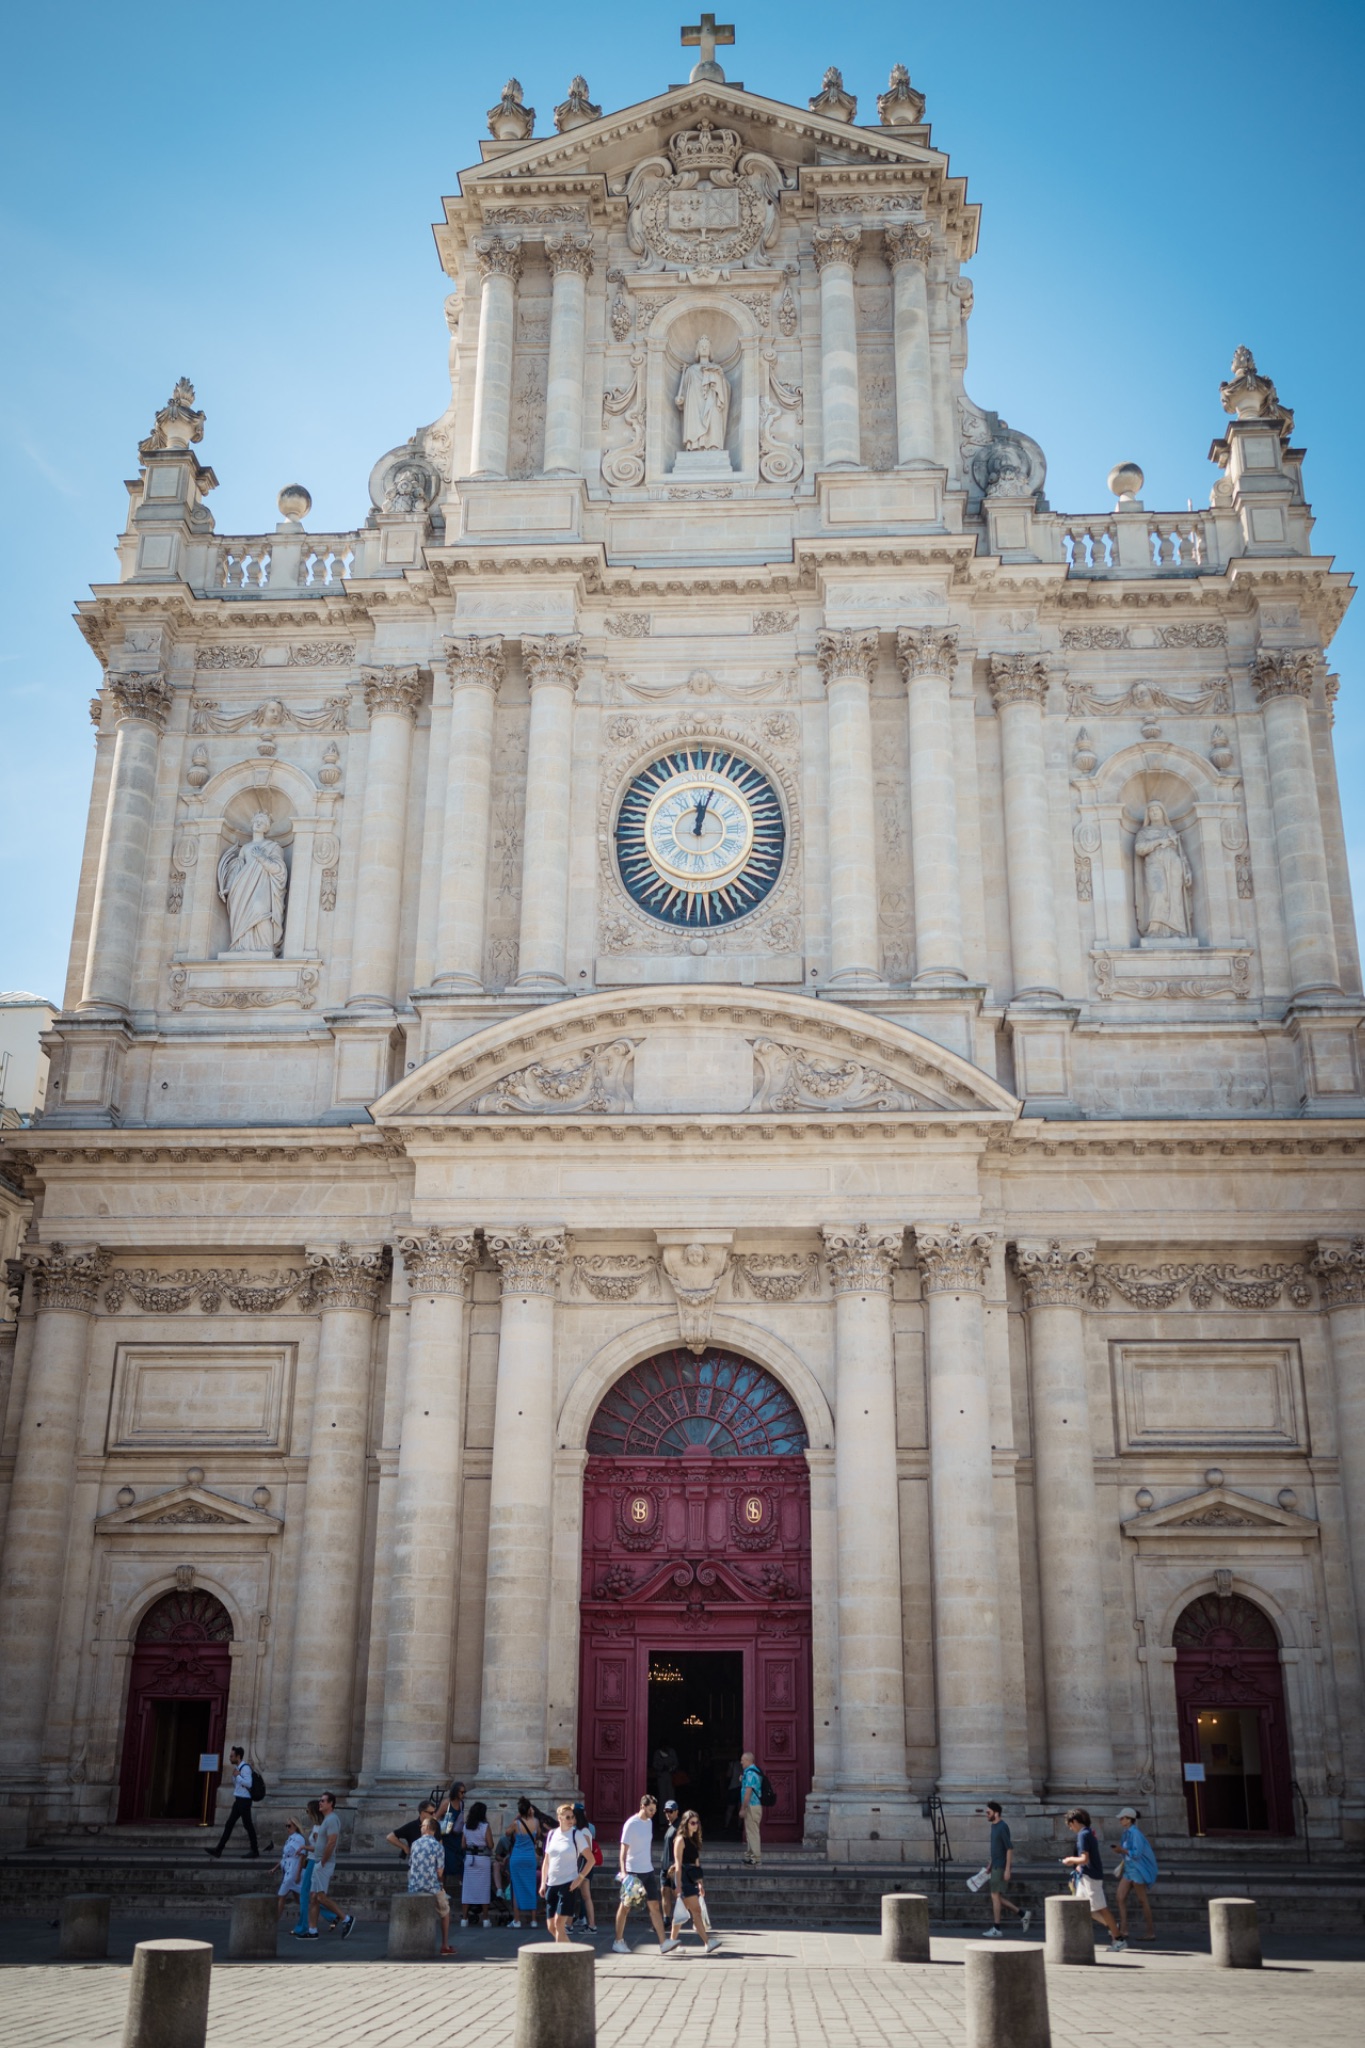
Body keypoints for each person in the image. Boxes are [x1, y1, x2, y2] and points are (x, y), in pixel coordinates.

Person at [613, 1792, 678, 1955]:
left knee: (654, 1906)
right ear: (642, 1806)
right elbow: (623, 1851)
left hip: (647, 1871)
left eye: (655, 1810)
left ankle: (663, 1943)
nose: (653, 1813)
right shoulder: (631, 1824)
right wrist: (624, 1873)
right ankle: (618, 1941)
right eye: (650, 1809)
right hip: (633, 1872)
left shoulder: (649, 1823)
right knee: (625, 1907)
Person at [1062, 1808, 1125, 1953]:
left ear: (1075, 1822)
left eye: (1070, 1825)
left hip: (1091, 1876)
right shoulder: (1088, 1833)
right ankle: (1113, 1928)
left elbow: (1084, 1859)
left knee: (1101, 1908)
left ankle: (1118, 1938)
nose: (1070, 1828)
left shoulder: (1083, 1835)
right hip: (1086, 1875)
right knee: (1082, 1908)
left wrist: (1070, 1860)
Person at [299, 1792, 355, 1940]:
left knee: (320, 1897)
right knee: (313, 1897)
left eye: (323, 1801)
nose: (320, 1803)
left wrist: (323, 1861)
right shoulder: (326, 1820)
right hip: (319, 1862)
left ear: (331, 1803)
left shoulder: (332, 1819)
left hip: (323, 1863)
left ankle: (346, 1919)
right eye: (320, 1800)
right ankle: (312, 1931)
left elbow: (332, 1842)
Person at [539, 1801, 595, 1944]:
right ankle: (572, 1952)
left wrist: (579, 1878)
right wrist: (542, 1883)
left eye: (572, 1817)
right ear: (560, 1818)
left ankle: (559, 1960)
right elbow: (547, 1860)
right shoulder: (552, 1834)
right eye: (568, 1817)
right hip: (552, 1882)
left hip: (568, 1883)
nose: (571, 1820)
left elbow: (591, 1860)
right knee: (551, 1926)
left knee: (559, 1924)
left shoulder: (576, 1835)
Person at [671, 1809, 721, 1952]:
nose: (695, 1825)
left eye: (697, 1823)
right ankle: (707, 1942)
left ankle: (672, 1942)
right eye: (692, 1823)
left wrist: (700, 1884)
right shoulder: (680, 1840)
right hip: (684, 1878)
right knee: (696, 1911)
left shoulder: (694, 1840)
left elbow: (697, 1864)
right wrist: (678, 1885)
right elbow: (678, 1864)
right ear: (686, 1824)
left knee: (682, 1912)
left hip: (692, 1878)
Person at [981, 1801, 1032, 1938]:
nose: (986, 1815)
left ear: (996, 1813)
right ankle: (1022, 1914)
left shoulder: (1003, 1827)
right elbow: (996, 1849)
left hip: (1001, 1866)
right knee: (996, 1897)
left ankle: (997, 1928)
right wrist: (990, 1864)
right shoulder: (994, 1826)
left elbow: (1009, 1848)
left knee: (995, 1896)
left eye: (988, 1812)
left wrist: (1007, 1869)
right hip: (996, 1865)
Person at [408, 1812, 454, 1955]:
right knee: (445, 1912)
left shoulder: (415, 1844)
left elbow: (411, 1865)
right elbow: (440, 1872)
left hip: (414, 1886)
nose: (420, 1828)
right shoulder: (438, 1846)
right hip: (431, 1887)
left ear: (427, 1827)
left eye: (422, 1826)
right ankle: (445, 1945)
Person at [1110, 1806, 1159, 1941]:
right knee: (1120, 1898)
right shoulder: (1127, 1833)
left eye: (1122, 1818)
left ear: (1129, 1820)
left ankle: (1150, 1932)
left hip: (1137, 1870)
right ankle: (1124, 1930)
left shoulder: (1135, 1834)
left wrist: (1121, 1851)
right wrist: (1121, 1851)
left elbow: (1136, 1853)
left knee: (1143, 1900)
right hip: (1129, 1870)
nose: (1120, 1820)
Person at [292, 1802, 338, 1937]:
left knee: (306, 1894)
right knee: (312, 1896)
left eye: (307, 1811)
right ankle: (330, 1917)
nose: (306, 1814)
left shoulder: (318, 1829)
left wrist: (304, 1848)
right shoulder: (318, 1827)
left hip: (314, 1861)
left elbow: (320, 1848)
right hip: (312, 1861)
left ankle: (303, 1926)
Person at [205, 1747, 259, 1860]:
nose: (230, 1758)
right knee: (230, 1824)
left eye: (232, 1756)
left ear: (238, 1756)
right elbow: (238, 1785)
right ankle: (218, 1850)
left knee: (247, 1825)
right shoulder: (237, 1768)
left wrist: (237, 1776)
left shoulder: (245, 1768)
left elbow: (248, 1784)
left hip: (244, 1801)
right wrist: (236, 1777)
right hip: (239, 1800)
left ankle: (255, 1850)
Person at [508, 1796, 541, 1929]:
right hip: (530, 1857)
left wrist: (516, 1818)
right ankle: (533, 1920)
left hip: (517, 1857)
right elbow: (538, 1834)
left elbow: (507, 1832)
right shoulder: (536, 1822)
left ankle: (517, 1919)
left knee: (517, 1888)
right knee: (531, 1886)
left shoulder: (517, 1824)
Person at [461, 1801, 494, 1928]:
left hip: (470, 1858)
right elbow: (490, 1844)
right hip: (482, 1859)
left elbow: (463, 1845)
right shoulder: (485, 1826)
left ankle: (464, 1919)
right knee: (484, 1889)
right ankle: (485, 1919)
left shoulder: (466, 1826)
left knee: (467, 1889)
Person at [570, 1802, 599, 1934]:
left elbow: (587, 1850)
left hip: (583, 1866)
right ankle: (591, 1925)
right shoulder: (579, 1830)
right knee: (584, 1896)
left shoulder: (584, 1831)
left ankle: (568, 1924)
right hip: (581, 1865)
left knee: (573, 1894)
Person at [274, 1816, 307, 1922]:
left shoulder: (299, 1838)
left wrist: (297, 1874)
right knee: (299, 1899)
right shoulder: (290, 1839)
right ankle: (321, 1913)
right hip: (288, 1870)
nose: (287, 1828)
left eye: (289, 1826)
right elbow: (285, 1857)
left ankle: (274, 1920)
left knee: (281, 1896)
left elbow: (302, 1856)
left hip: (293, 1871)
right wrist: (274, 1868)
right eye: (286, 1826)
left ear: (295, 1826)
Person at [739, 1751, 763, 1867]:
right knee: (750, 1831)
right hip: (754, 1806)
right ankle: (750, 1856)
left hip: (752, 1806)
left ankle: (755, 1858)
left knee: (752, 1832)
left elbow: (748, 1792)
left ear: (748, 1761)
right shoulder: (753, 1772)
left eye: (743, 1760)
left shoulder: (750, 1774)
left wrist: (743, 1808)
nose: (741, 1762)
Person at [659, 1799, 680, 1926]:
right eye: (666, 1811)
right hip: (665, 1865)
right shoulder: (670, 1827)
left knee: (675, 1892)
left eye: (670, 1811)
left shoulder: (678, 1828)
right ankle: (666, 1919)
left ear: (677, 1812)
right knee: (664, 1891)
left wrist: (676, 1864)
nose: (668, 1814)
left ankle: (679, 1917)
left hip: (673, 1866)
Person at [652, 1742, 679, 1811]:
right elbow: (654, 1764)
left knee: (671, 1797)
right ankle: (662, 1819)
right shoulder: (657, 1753)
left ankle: (672, 1817)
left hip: (671, 1777)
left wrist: (670, 1769)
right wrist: (661, 1768)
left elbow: (676, 1764)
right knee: (662, 1797)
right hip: (661, 1777)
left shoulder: (672, 1752)